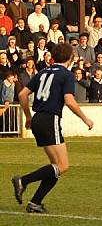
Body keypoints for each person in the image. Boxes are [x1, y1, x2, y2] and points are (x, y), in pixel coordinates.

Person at [11, 42, 94, 213]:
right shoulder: (66, 74)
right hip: (50, 119)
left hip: (38, 119)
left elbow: (22, 95)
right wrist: (85, 119)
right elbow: (69, 101)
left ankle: (35, 202)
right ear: (70, 58)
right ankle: (23, 180)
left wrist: (28, 116)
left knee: (55, 167)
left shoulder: (42, 72)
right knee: (62, 166)